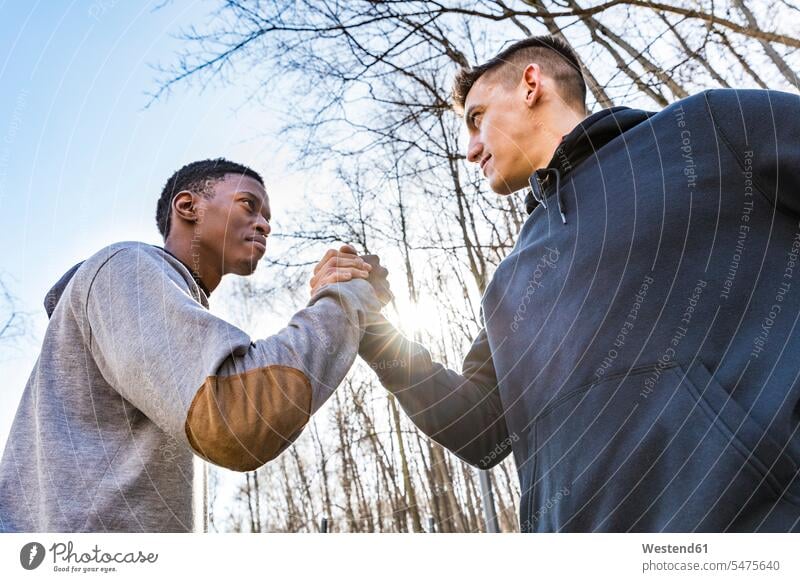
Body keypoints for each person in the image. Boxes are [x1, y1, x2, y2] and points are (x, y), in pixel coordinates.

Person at [358, 35, 800, 532]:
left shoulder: (707, 130)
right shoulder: (509, 282)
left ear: (531, 84)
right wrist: (371, 329)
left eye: (476, 118)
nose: (470, 149)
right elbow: (480, 431)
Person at [0, 158, 385, 532]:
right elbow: (239, 417)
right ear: (187, 206)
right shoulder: (125, 269)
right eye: (249, 205)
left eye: (268, 218)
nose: (265, 225)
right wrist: (342, 299)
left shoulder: (158, 305)